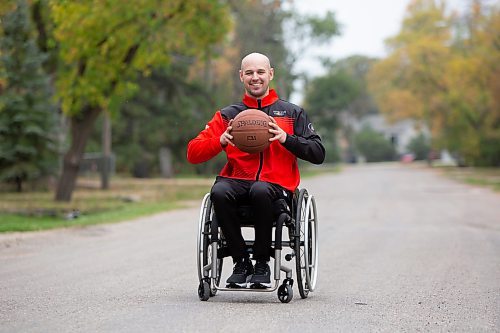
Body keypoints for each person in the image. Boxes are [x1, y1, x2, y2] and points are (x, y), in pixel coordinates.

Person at [187, 52, 325, 288]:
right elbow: (193, 153)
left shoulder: (292, 114)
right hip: (237, 181)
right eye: (249, 72)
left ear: (270, 74)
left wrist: (286, 139)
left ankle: (262, 263)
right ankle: (241, 262)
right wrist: (219, 141)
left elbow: (318, 153)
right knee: (219, 191)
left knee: (260, 190)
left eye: (260, 72)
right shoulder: (227, 115)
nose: (255, 77)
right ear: (241, 76)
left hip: (277, 187)